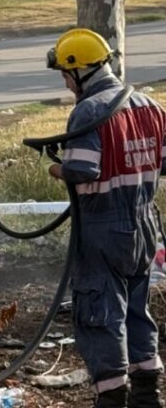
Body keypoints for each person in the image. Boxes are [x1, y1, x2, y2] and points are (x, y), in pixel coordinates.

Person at [44, 28, 166, 408]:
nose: (66, 84)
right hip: (145, 224)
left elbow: (83, 171)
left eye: (66, 75)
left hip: (103, 228)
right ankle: (148, 394)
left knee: (100, 314)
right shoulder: (149, 105)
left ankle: (112, 397)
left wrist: (56, 168)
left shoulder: (89, 111)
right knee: (136, 309)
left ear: (79, 70)